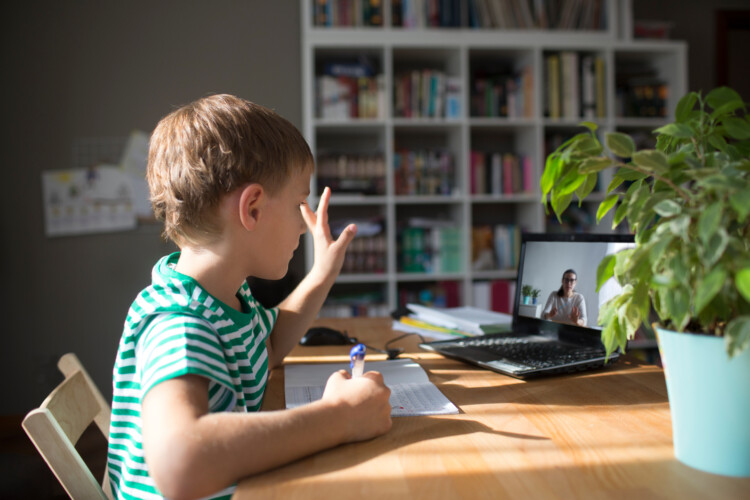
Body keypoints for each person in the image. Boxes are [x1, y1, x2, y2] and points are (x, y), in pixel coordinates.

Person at [107, 95, 392, 500]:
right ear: (253, 209)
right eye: (298, 204)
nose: (302, 225)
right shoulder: (179, 321)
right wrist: (341, 417)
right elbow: (180, 464)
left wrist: (323, 273)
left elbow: (269, 347)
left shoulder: (225, 297)